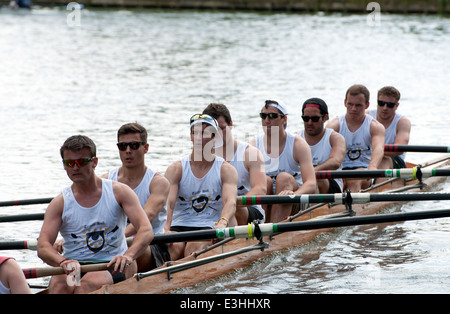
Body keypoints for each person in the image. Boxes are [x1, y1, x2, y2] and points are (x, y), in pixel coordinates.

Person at [37, 135, 153, 294]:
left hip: (112, 265)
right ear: (64, 165)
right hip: (74, 269)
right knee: (60, 287)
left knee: (85, 287)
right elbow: (43, 246)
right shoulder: (60, 202)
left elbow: (146, 230)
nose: (75, 168)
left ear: (94, 162)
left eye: (82, 162)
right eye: (70, 163)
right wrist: (62, 261)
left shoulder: (119, 192)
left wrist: (128, 255)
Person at [164, 114, 238, 260]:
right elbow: (169, 203)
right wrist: (166, 228)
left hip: (210, 226)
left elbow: (230, 202)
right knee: (174, 250)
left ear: (214, 137)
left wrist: (222, 222)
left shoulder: (225, 170)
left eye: (204, 133)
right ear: (191, 136)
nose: (198, 137)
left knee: (193, 246)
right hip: (179, 227)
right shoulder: (176, 169)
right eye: (195, 133)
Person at [105, 123, 170, 271]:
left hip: (152, 245)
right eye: (123, 146)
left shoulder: (158, 183)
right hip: (114, 243)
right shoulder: (107, 181)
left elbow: (146, 218)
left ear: (145, 148)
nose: (128, 151)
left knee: (127, 246)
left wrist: (110, 239)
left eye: (134, 145)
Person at [250, 100, 316, 223]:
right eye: (263, 116)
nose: (267, 120)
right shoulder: (254, 145)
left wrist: (293, 194)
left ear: (284, 119)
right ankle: (261, 229)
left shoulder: (298, 144)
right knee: (265, 181)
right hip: (266, 197)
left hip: (292, 201)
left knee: (284, 178)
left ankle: (274, 232)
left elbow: (311, 183)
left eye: (272, 116)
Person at [202, 103, 267, 224]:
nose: (218, 135)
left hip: (247, 210)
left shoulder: (250, 153)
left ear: (230, 124)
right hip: (216, 211)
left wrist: (231, 203)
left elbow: (261, 188)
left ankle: (235, 241)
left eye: (222, 128)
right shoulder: (203, 156)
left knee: (233, 208)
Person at [327, 84, 385, 192]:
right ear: (345, 103)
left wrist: (372, 167)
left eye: (358, 105)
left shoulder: (375, 127)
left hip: (364, 171)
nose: (353, 109)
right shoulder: (334, 125)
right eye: (350, 104)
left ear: (367, 105)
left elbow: (379, 148)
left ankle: (353, 207)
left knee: (354, 181)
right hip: (340, 170)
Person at [298, 97, 346, 194]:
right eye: (306, 118)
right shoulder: (296, 138)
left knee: (316, 177)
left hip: (330, 184)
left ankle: (311, 208)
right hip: (302, 182)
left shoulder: (335, 138)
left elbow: (335, 162)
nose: (310, 123)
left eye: (315, 119)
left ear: (325, 118)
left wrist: (311, 172)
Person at [367, 86, 411, 169]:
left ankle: (379, 181)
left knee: (384, 159)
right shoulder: (366, 116)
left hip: (394, 161)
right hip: (367, 159)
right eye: (381, 103)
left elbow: (399, 149)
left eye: (390, 105)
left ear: (397, 105)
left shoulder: (402, 122)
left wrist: (376, 152)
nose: (385, 108)